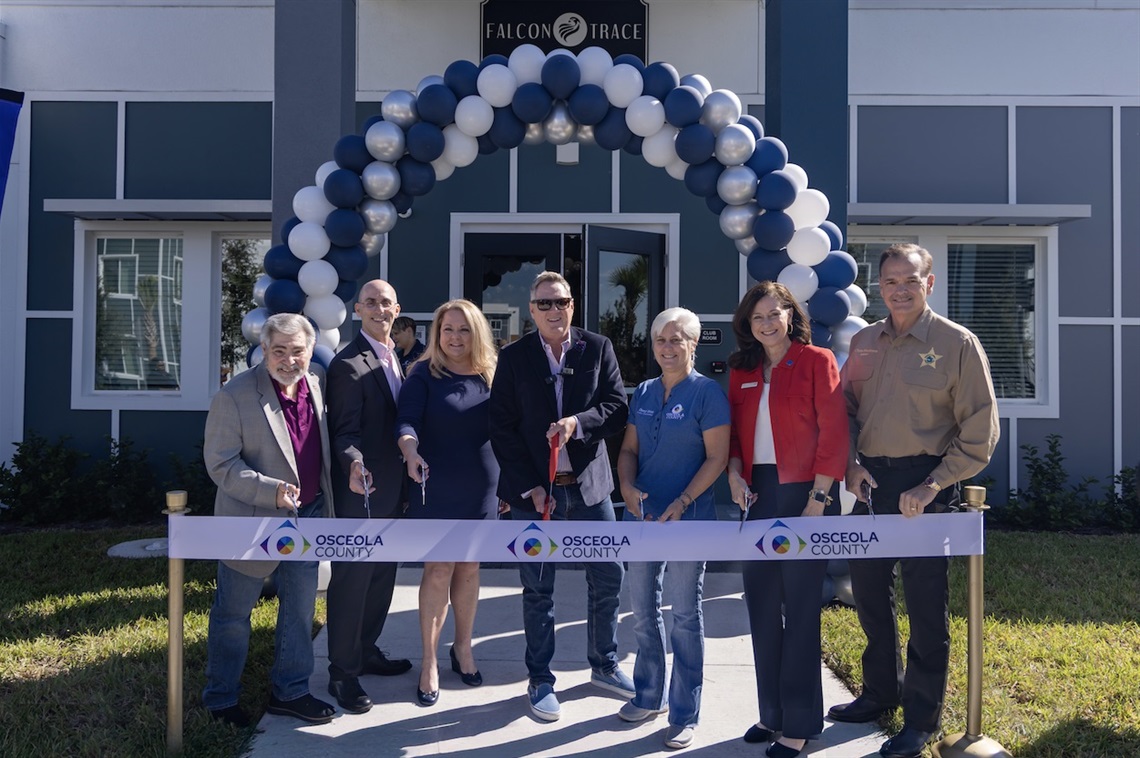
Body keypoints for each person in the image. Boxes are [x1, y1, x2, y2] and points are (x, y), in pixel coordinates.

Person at [831, 243, 999, 758]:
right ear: (879, 285)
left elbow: (980, 431)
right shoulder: (863, 342)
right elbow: (845, 412)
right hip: (871, 483)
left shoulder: (957, 343)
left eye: (910, 280)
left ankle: (922, 719)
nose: (900, 290)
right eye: (890, 281)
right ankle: (880, 693)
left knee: (926, 607)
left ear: (929, 283)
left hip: (926, 484)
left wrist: (933, 485)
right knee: (870, 596)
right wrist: (850, 464)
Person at [201, 313, 367, 727]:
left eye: (298, 351)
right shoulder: (234, 395)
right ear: (264, 350)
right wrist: (269, 490)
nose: (289, 360)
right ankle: (220, 699)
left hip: (308, 514)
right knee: (233, 615)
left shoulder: (315, 384)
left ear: (311, 351)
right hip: (251, 520)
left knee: (299, 610)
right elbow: (220, 464)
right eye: (279, 351)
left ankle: (290, 692)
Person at [489, 271, 633, 722]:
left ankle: (604, 664)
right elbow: (501, 427)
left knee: (608, 577)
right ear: (532, 310)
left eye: (562, 302)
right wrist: (528, 485)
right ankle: (540, 678)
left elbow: (617, 408)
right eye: (545, 304)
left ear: (573, 305)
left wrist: (578, 423)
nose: (554, 310)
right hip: (535, 493)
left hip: (589, 488)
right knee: (538, 586)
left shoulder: (598, 347)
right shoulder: (513, 357)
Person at [725, 281, 849, 758]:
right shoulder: (743, 370)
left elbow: (834, 432)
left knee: (799, 610)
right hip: (758, 494)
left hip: (806, 494)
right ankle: (771, 713)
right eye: (757, 317)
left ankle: (799, 723)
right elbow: (736, 437)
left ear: (790, 315)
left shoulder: (817, 361)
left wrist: (818, 498)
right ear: (748, 324)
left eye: (774, 314)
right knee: (761, 605)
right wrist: (735, 474)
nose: (766, 323)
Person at [616, 307, 730, 751]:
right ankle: (649, 695)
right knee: (643, 612)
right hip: (642, 518)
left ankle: (684, 712)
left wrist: (683, 502)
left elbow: (717, 458)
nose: (667, 347)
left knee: (684, 615)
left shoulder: (707, 393)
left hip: (689, 521)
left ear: (693, 344)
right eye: (660, 340)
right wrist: (626, 487)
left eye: (676, 339)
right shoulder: (644, 391)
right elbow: (629, 449)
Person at [396, 299, 500, 707]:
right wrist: (409, 451)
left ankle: (463, 647)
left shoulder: (493, 374)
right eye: (447, 329)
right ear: (437, 333)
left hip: (482, 486)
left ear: (477, 333)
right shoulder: (423, 373)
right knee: (439, 569)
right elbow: (406, 421)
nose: (455, 337)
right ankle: (430, 661)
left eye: (464, 329)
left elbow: (508, 430)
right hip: (433, 484)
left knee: (469, 567)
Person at [323, 279, 414, 716]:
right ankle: (342, 672)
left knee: (381, 578)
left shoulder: (397, 358)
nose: (380, 309)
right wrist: (354, 464)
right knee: (352, 582)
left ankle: (366, 650)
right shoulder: (347, 364)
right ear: (358, 309)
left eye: (386, 303)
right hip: (362, 492)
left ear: (397, 309)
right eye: (371, 302)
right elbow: (344, 432)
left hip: (394, 493)